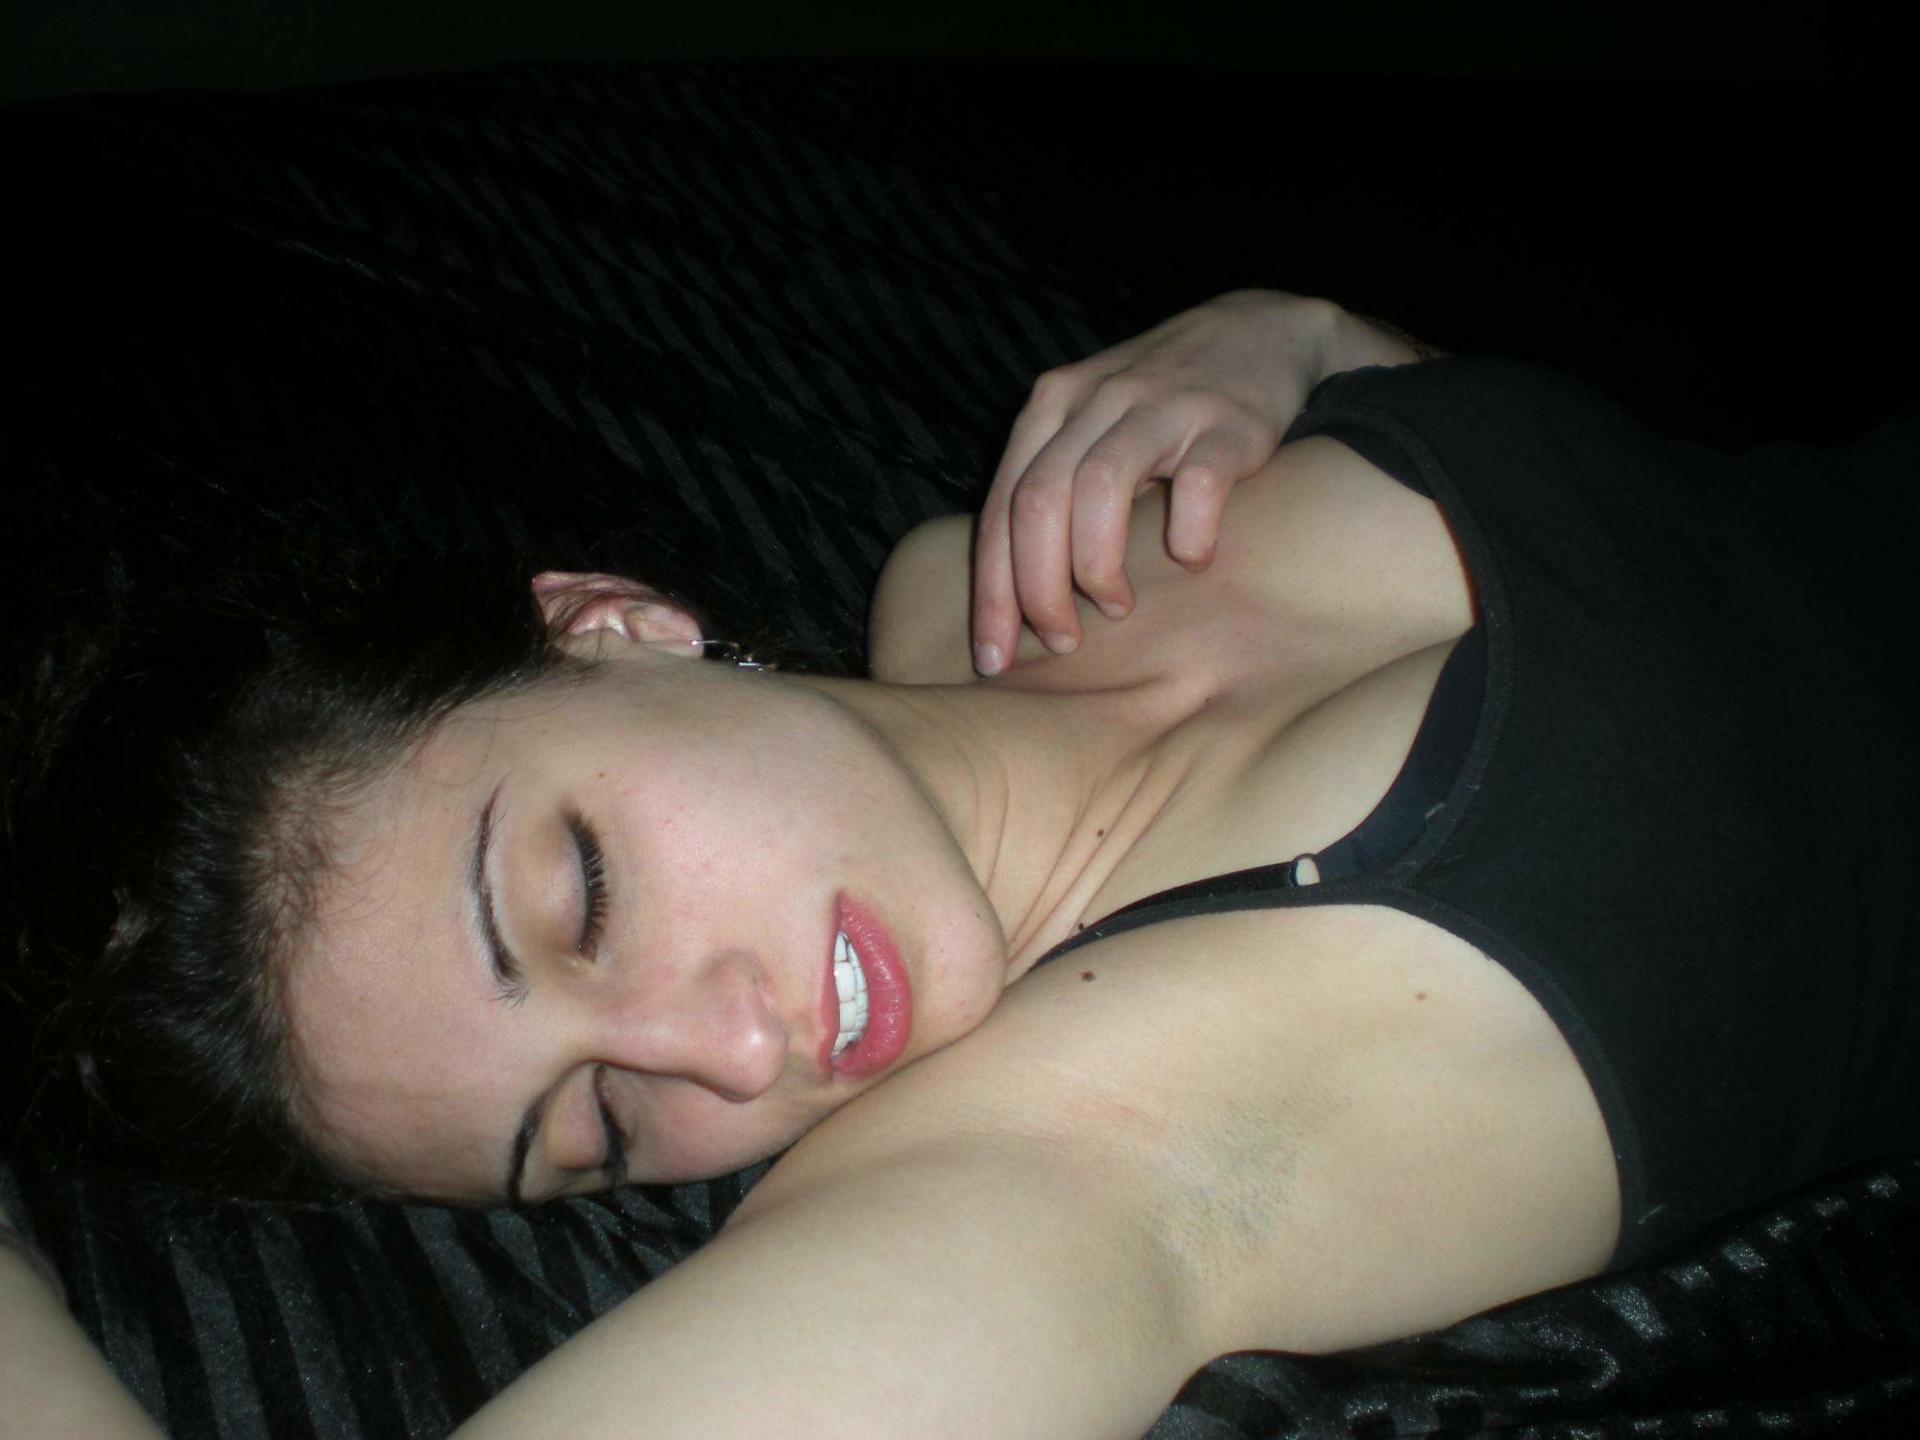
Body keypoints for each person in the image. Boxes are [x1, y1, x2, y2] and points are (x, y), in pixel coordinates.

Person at [4, 289, 1916, 1438]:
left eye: (583, 900)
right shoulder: (1080, 1132)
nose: (728, 1056)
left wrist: (1318, 341)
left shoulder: (979, 563)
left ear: (610, 625)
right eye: (595, 1128)